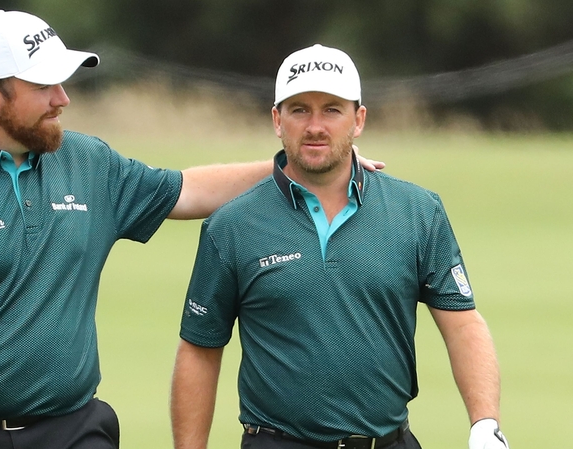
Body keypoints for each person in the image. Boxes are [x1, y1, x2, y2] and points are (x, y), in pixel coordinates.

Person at [0, 10, 385, 449]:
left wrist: (300, 166)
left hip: (74, 429)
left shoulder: (87, 162)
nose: (63, 97)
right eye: (44, 85)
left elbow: (187, 190)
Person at [170, 44, 508, 449]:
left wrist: (485, 423)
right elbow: (200, 349)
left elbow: (463, 324)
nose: (315, 126)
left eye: (332, 109)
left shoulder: (417, 211)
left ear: (358, 119)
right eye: (299, 110)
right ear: (277, 120)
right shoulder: (232, 226)